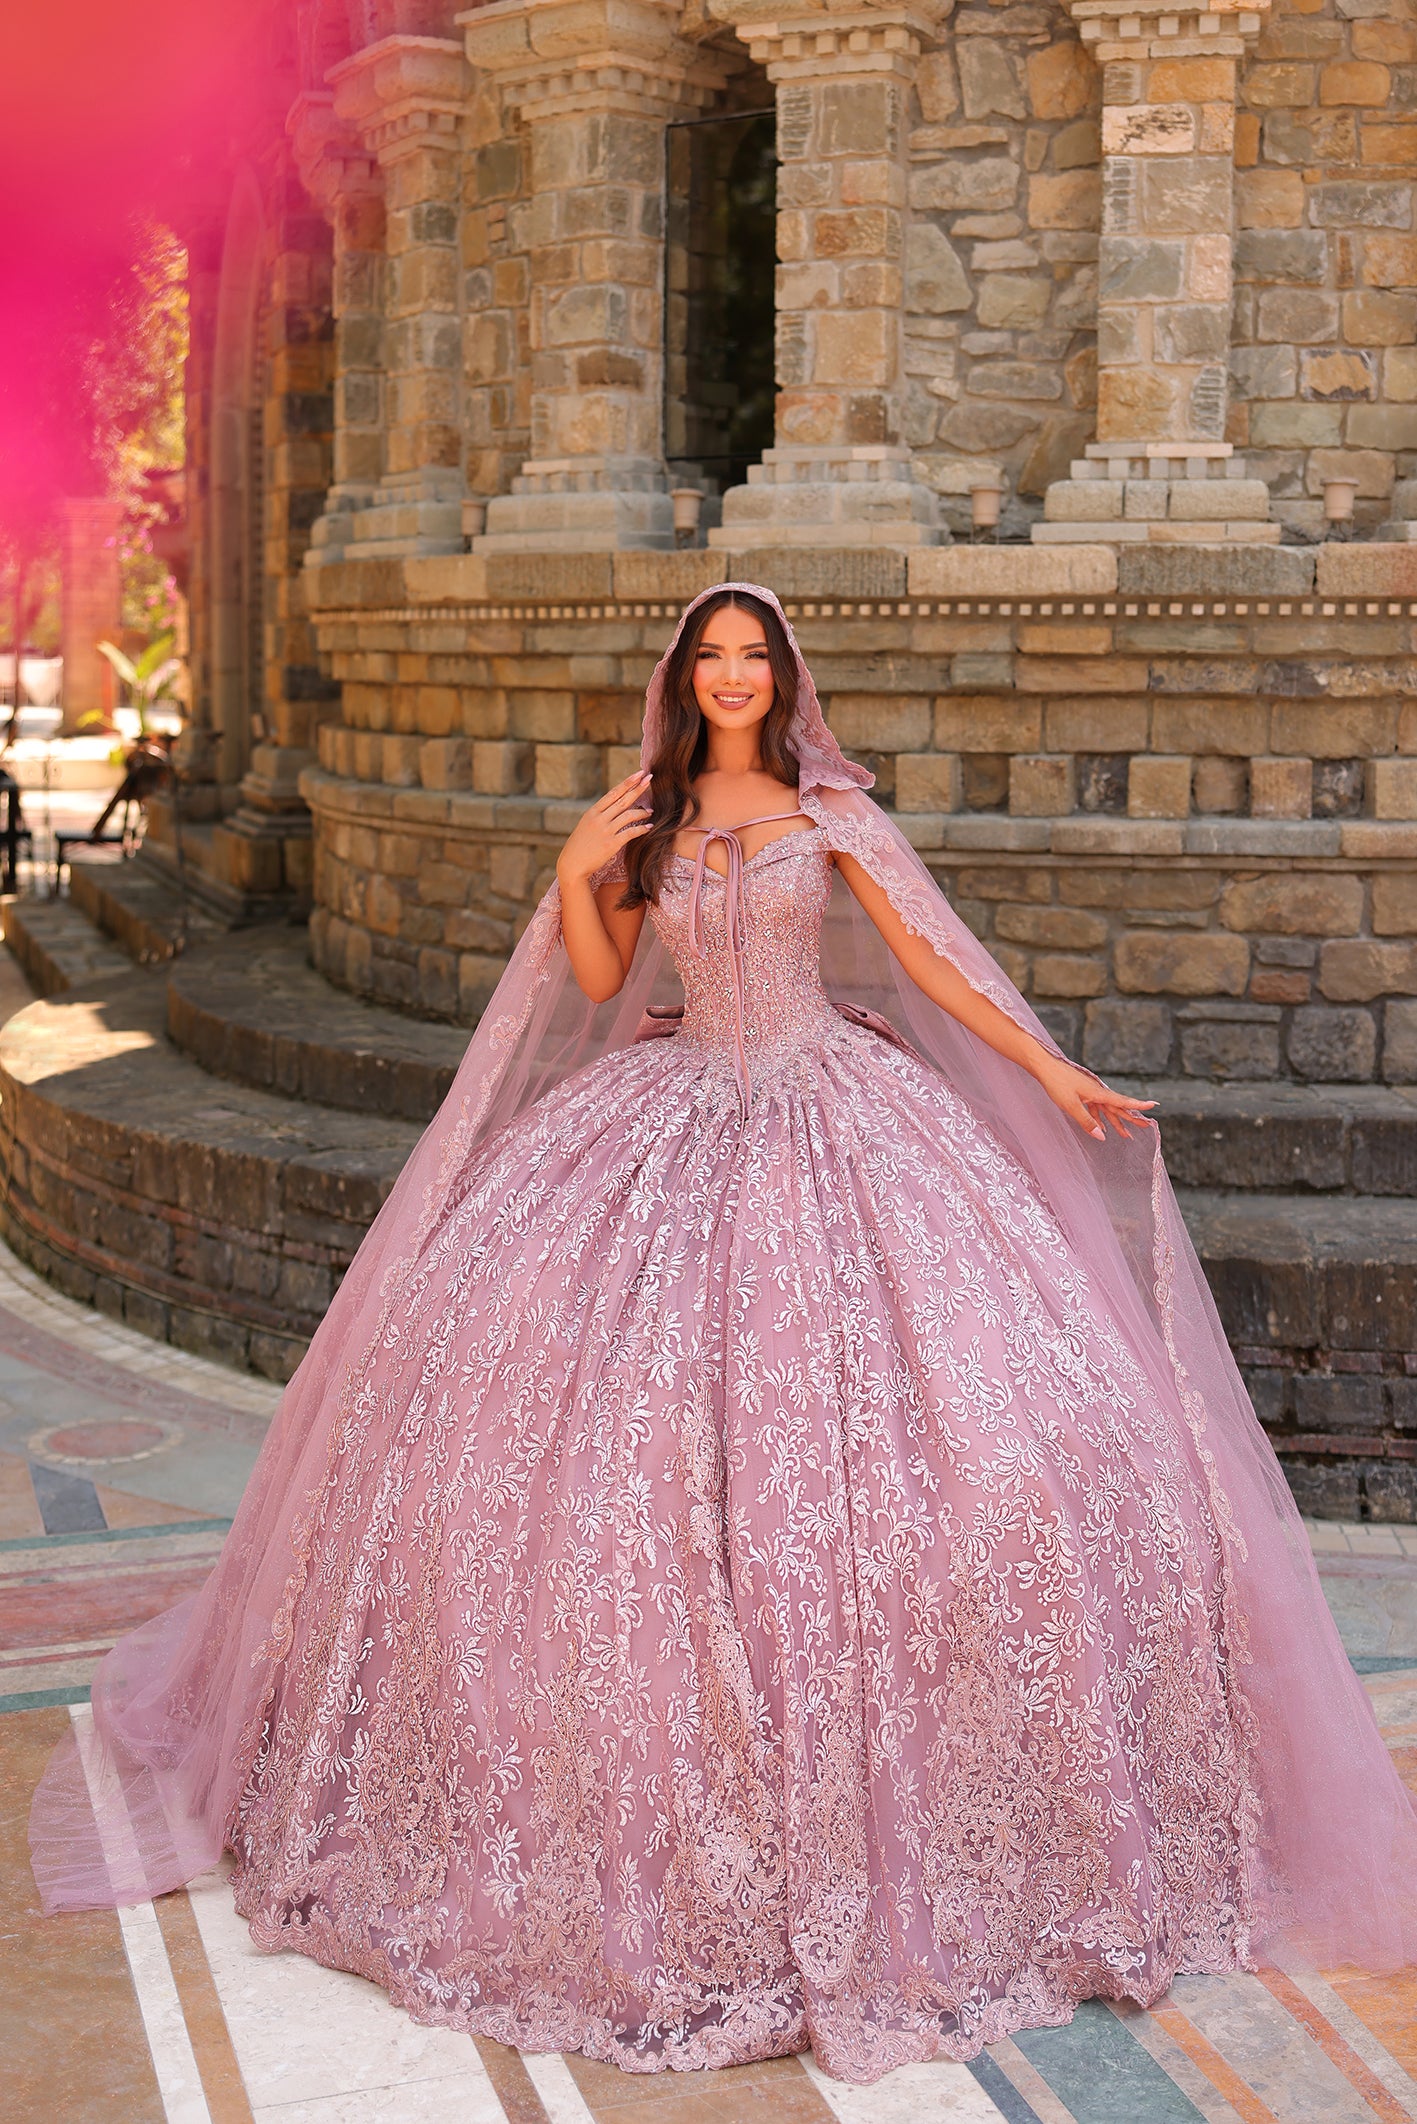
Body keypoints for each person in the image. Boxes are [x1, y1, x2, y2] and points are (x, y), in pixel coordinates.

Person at [31, 584, 1417, 2084]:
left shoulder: (830, 815)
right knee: (589, 1467)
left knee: (962, 1447)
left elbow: (938, 960)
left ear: (785, 677)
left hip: (832, 1114)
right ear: (683, 680)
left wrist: (1055, 1070)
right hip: (670, 1115)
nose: (738, 675)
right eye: (715, 657)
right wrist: (577, 866)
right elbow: (601, 980)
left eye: (756, 656)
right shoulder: (650, 812)